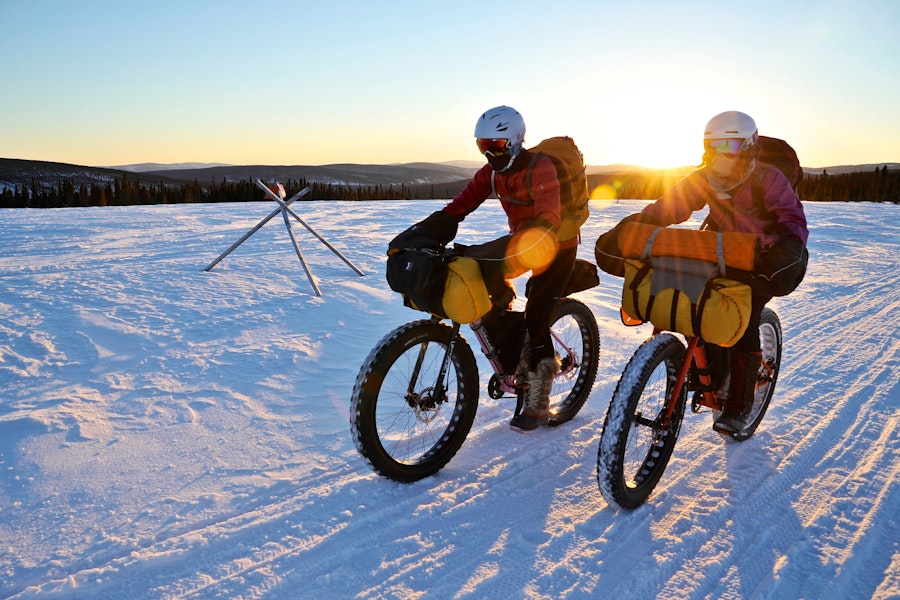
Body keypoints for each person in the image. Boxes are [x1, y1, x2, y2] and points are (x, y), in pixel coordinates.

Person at [606, 110, 809, 435]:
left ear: (747, 147)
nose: (719, 155)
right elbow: (670, 206)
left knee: (745, 316)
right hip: (723, 247)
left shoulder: (767, 178)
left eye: (728, 146)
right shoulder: (705, 177)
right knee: (694, 299)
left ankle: (739, 403)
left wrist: (789, 251)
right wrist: (633, 227)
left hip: (763, 258)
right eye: (712, 147)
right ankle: (708, 368)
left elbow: (792, 219)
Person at [404, 105, 580, 433]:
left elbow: (549, 213)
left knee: (537, 311)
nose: (489, 152)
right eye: (482, 145)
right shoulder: (493, 174)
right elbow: (462, 204)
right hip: (522, 241)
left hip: (557, 243)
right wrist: (428, 229)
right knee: (477, 271)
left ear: (514, 142)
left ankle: (539, 392)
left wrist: (538, 234)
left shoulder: (540, 167)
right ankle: (510, 348)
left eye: (495, 146)